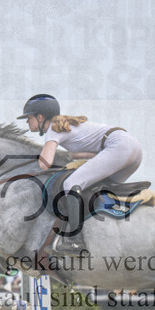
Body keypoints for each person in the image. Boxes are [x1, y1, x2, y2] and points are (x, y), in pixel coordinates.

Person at [17, 94, 143, 256]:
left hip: (119, 146)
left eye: (29, 118)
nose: (28, 122)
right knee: (97, 189)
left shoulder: (53, 129)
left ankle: (75, 241)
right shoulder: (65, 127)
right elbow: (84, 156)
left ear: (40, 117)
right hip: (132, 148)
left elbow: (44, 163)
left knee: (69, 185)